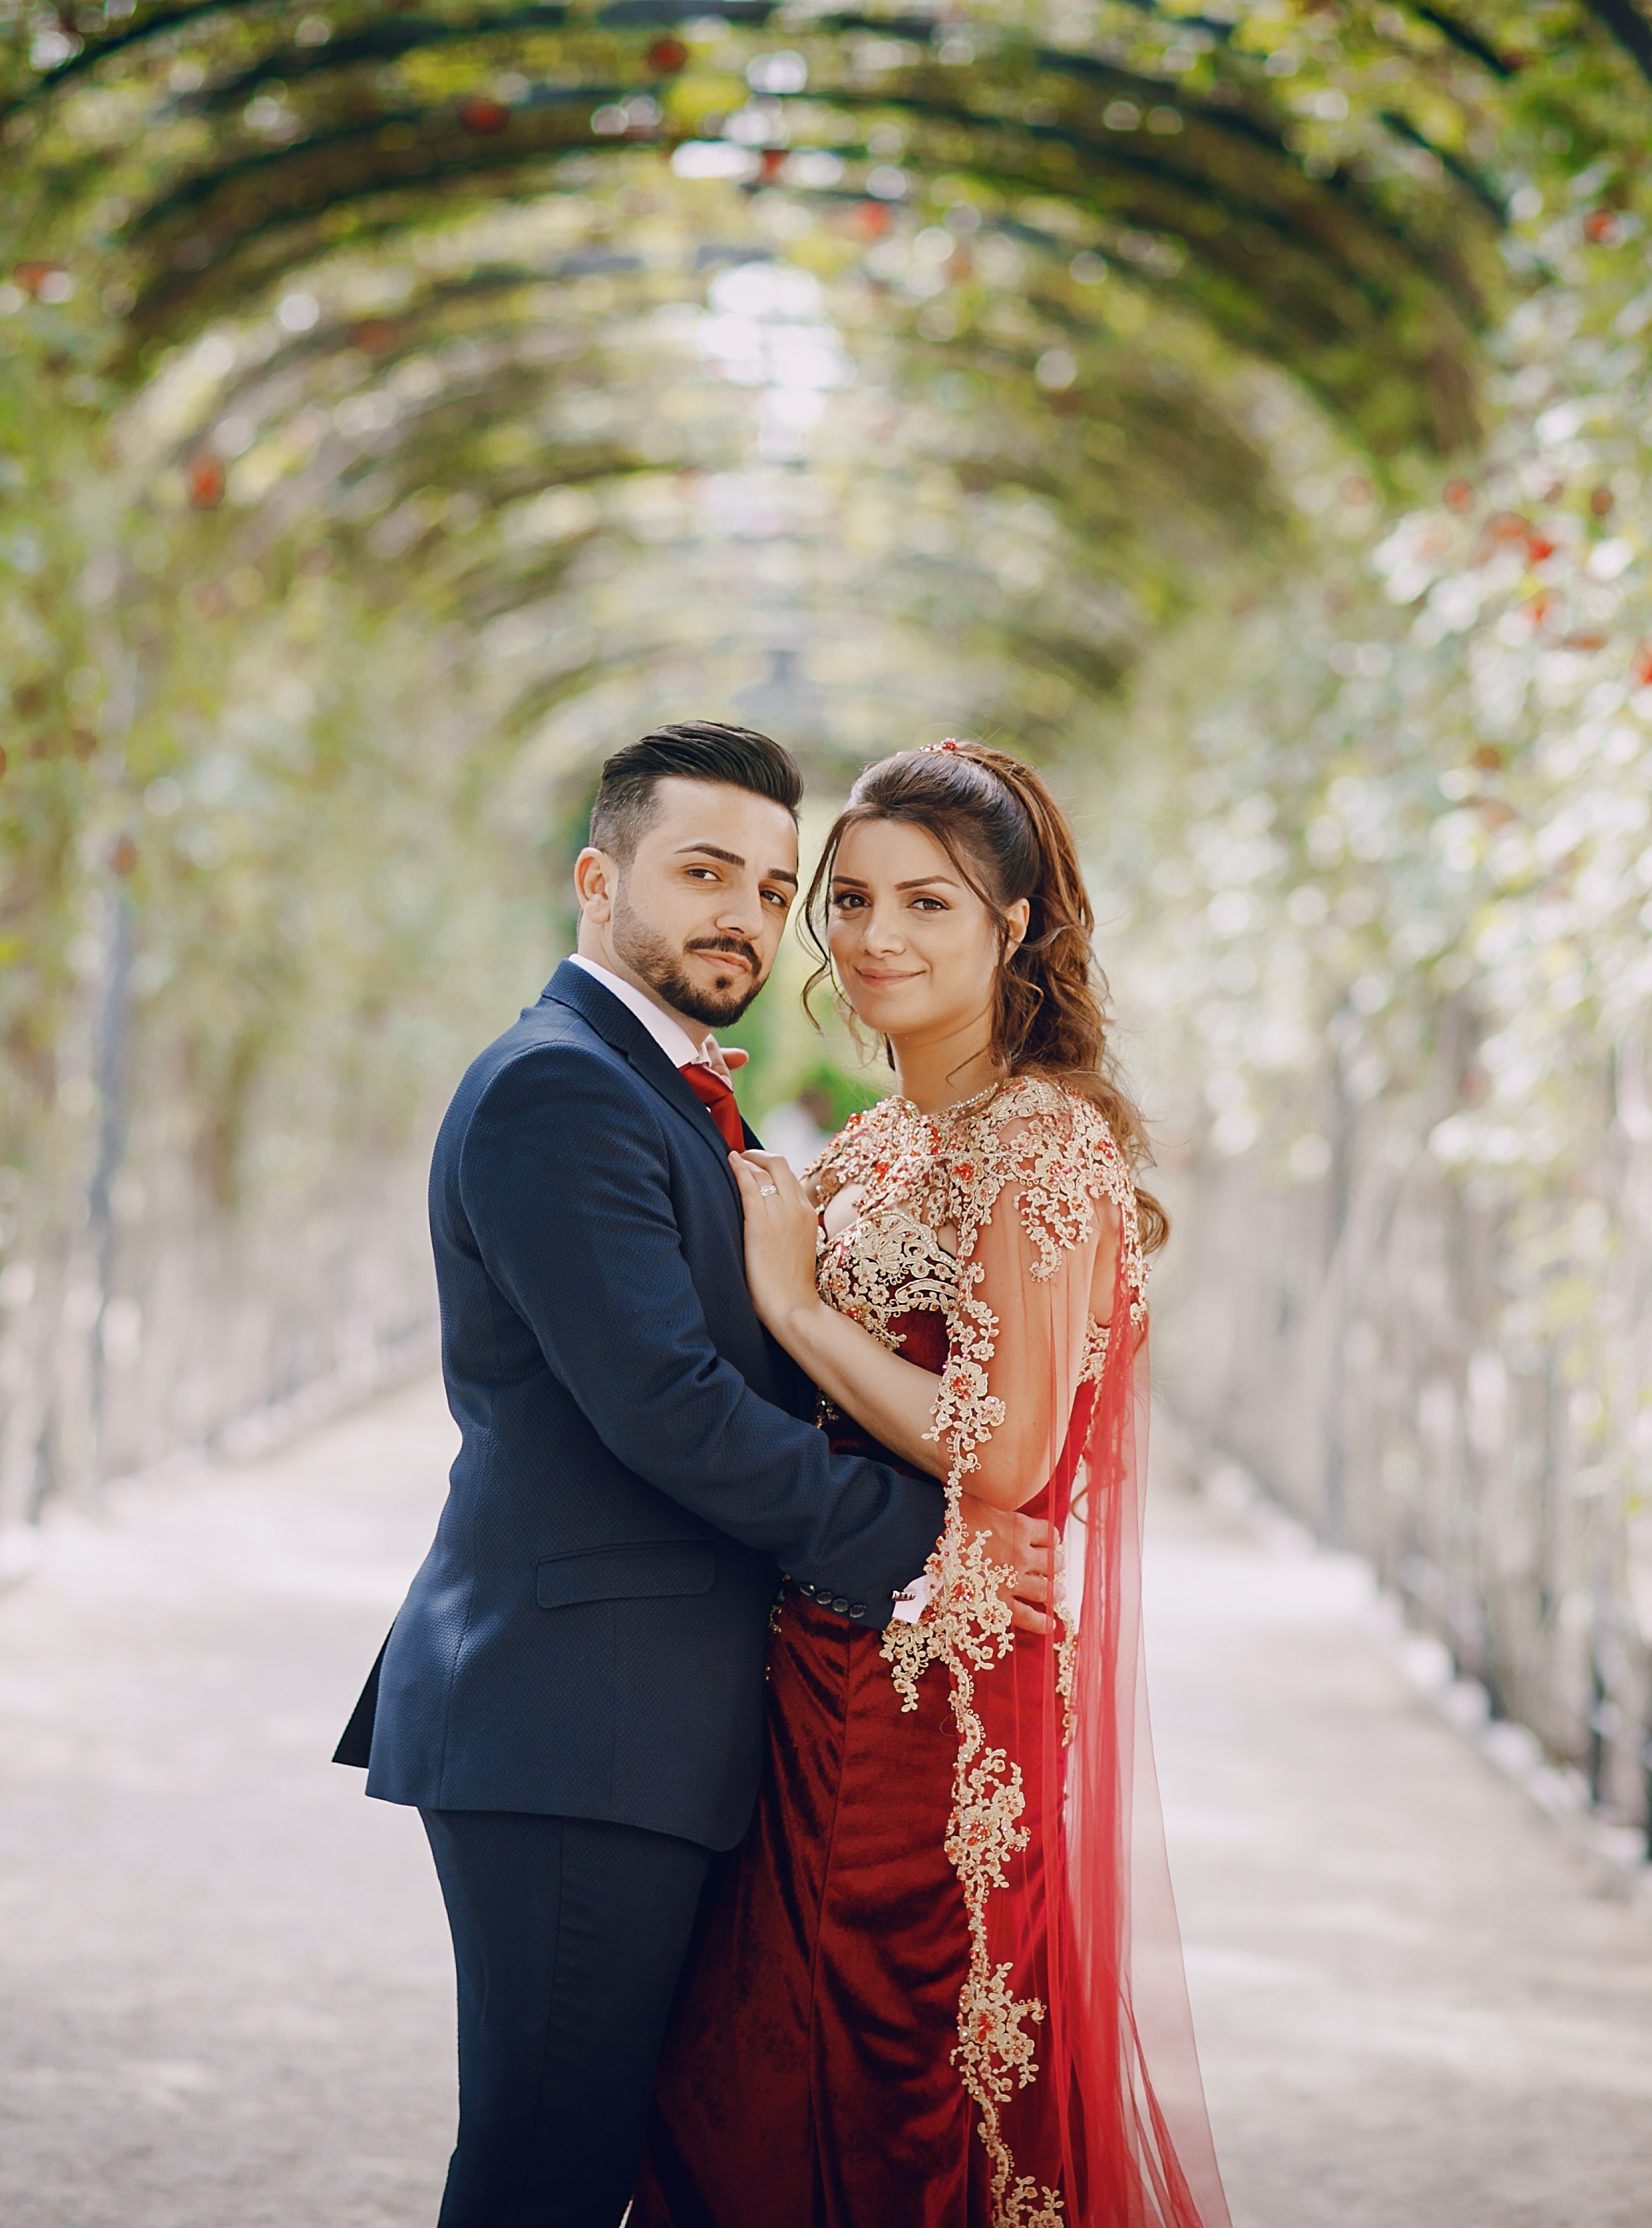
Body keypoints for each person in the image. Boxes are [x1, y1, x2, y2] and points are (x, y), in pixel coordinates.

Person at [338, 720, 1064, 2228]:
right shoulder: (561, 1091)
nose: (745, 910)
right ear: (600, 881)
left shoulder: (653, 1087)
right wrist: (928, 1548)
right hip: (574, 1711)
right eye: (704, 870)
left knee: (596, 2147)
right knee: (549, 2156)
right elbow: (663, 1404)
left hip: (642, 1714)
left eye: (772, 883)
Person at [634, 739, 1230, 2228]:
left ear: (1013, 926)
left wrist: (799, 1311)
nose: (877, 938)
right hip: (810, 1665)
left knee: (911, 2066)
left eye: (929, 905)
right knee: (751, 2068)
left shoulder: (1040, 1141)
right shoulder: (871, 1145)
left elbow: (1014, 1445)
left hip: (946, 1688)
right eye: (847, 901)